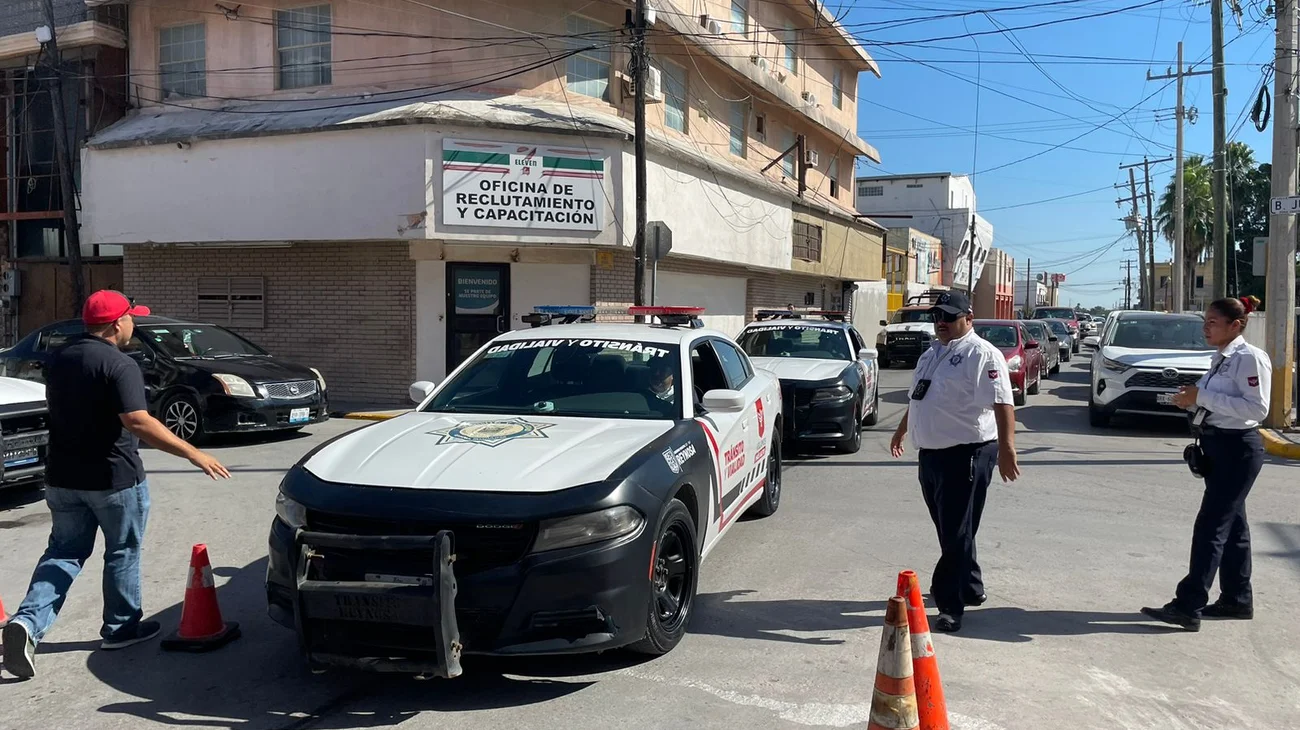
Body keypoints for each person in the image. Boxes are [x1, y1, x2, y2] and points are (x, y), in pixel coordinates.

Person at [1, 290, 231, 680]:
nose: (134, 324)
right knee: (122, 551)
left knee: (63, 553)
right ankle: (121, 629)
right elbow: (138, 421)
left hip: (62, 478)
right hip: (113, 478)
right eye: (130, 318)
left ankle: (27, 622)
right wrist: (194, 453)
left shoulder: (60, 358)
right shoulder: (119, 364)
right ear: (115, 324)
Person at [889, 291, 1021, 632]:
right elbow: (919, 398)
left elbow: (1003, 403)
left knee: (957, 530)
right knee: (952, 528)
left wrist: (1008, 449)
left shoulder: (982, 354)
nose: (942, 323)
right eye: (937, 317)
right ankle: (972, 586)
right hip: (931, 454)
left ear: (969, 318)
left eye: (949, 317)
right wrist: (902, 430)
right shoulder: (933, 353)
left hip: (967, 454)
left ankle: (950, 605)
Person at [1142, 297, 1271, 632]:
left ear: (1236, 325)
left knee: (1211, 527)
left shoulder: (1249, 358)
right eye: (1206, 321)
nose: (1206, 327)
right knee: (1234, 529)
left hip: (1237, 449)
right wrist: (1188, 400)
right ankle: (1237, 599)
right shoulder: (1221, 358)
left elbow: (1257, 409)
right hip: (1217, 445)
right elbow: (1213, 401)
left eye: (1213, 322)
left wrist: (1201, 397)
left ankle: (1188, 605)